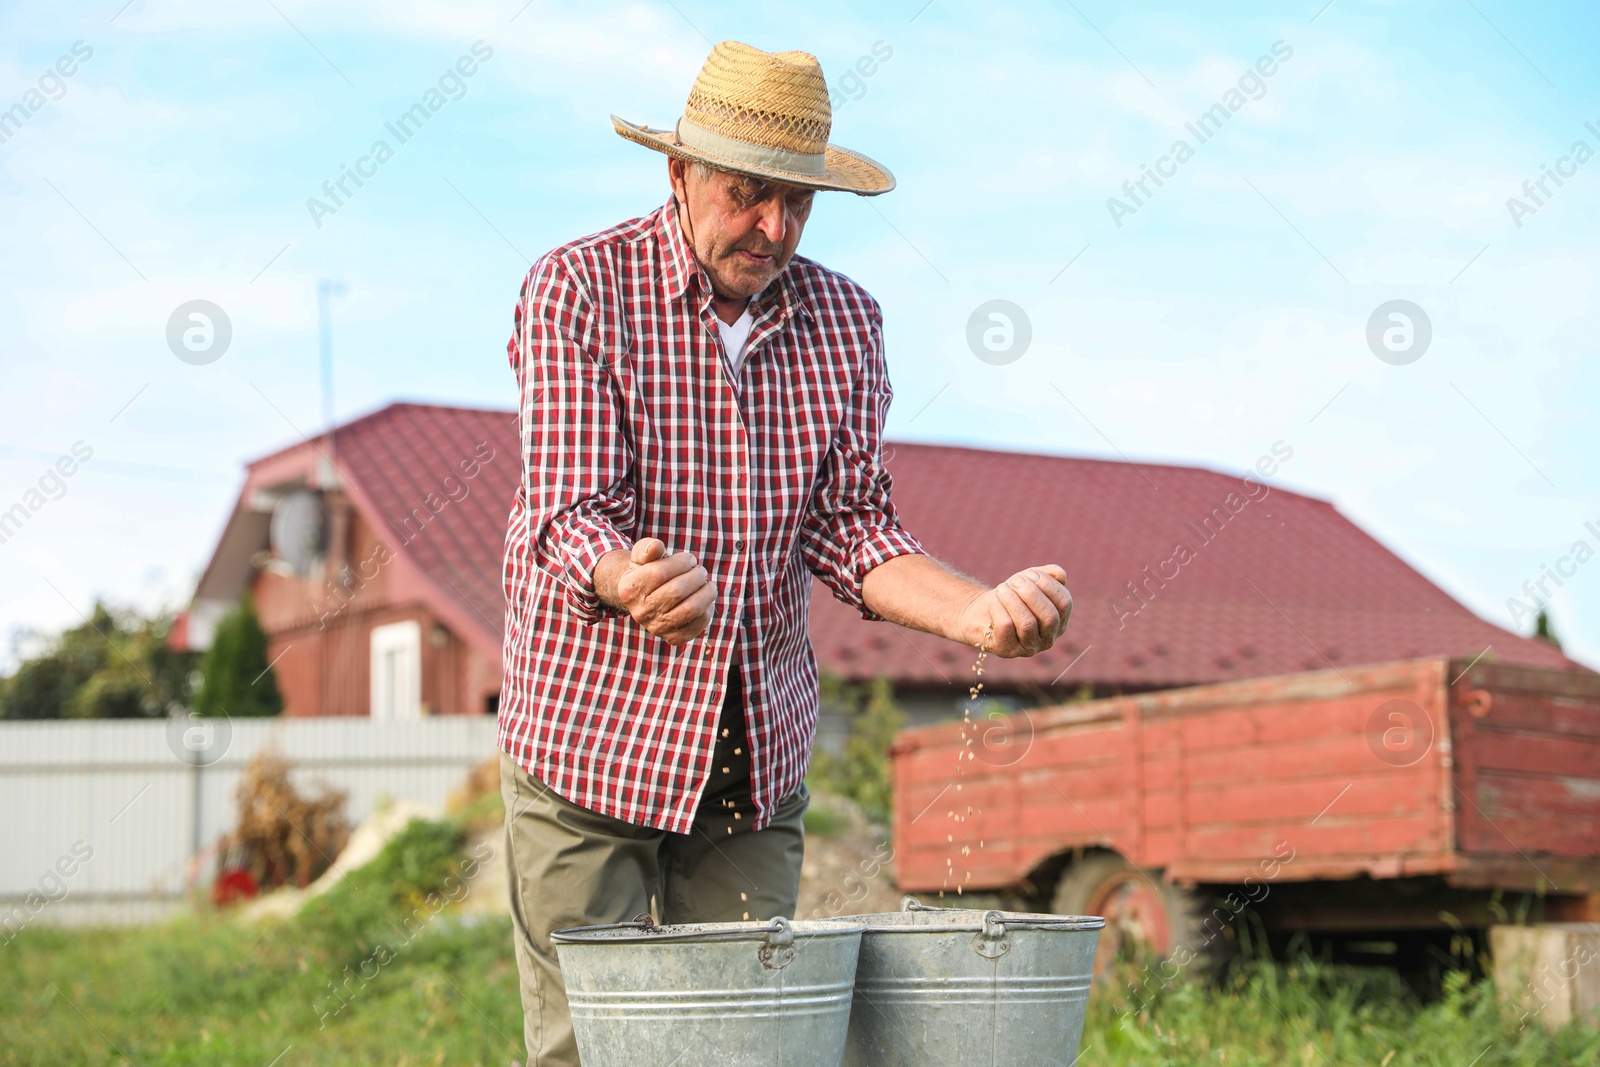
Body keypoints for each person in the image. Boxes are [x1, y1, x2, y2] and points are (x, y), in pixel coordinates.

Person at [497, 39, 1073, 1066]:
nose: (775, 227)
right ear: (677, 174)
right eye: (747, 193)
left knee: (747, 1042)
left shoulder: (844, 321)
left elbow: (851, 524)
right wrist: (627, 575)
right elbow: (571, 506)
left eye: (798, 202)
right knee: (591, 1046)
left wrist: (973, 610)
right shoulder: (579, 289)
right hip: (588, 738)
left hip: (747, 752)